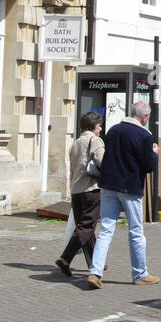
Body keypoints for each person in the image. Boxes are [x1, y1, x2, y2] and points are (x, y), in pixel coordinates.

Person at [86, 100, 160, 289]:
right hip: (130, 188)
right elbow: (148, 166)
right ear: (144, 117)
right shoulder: (144, 135)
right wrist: (155, 154)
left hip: (109, 185)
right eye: (147, 117)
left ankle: (95, 272)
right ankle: (140, 273)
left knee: (105, 230)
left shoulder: (113, 130)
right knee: (136, 231)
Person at [56, 111, 105, 276]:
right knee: (86, 226)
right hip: (90, 188)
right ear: (93, 126)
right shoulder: (95, 140)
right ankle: (65, 259)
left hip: (76, 189)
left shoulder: (75, 143)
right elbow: (101, 161)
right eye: (99, 126)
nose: (100, 129)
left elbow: (72, 168)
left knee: (84, 227)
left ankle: (96, 262)